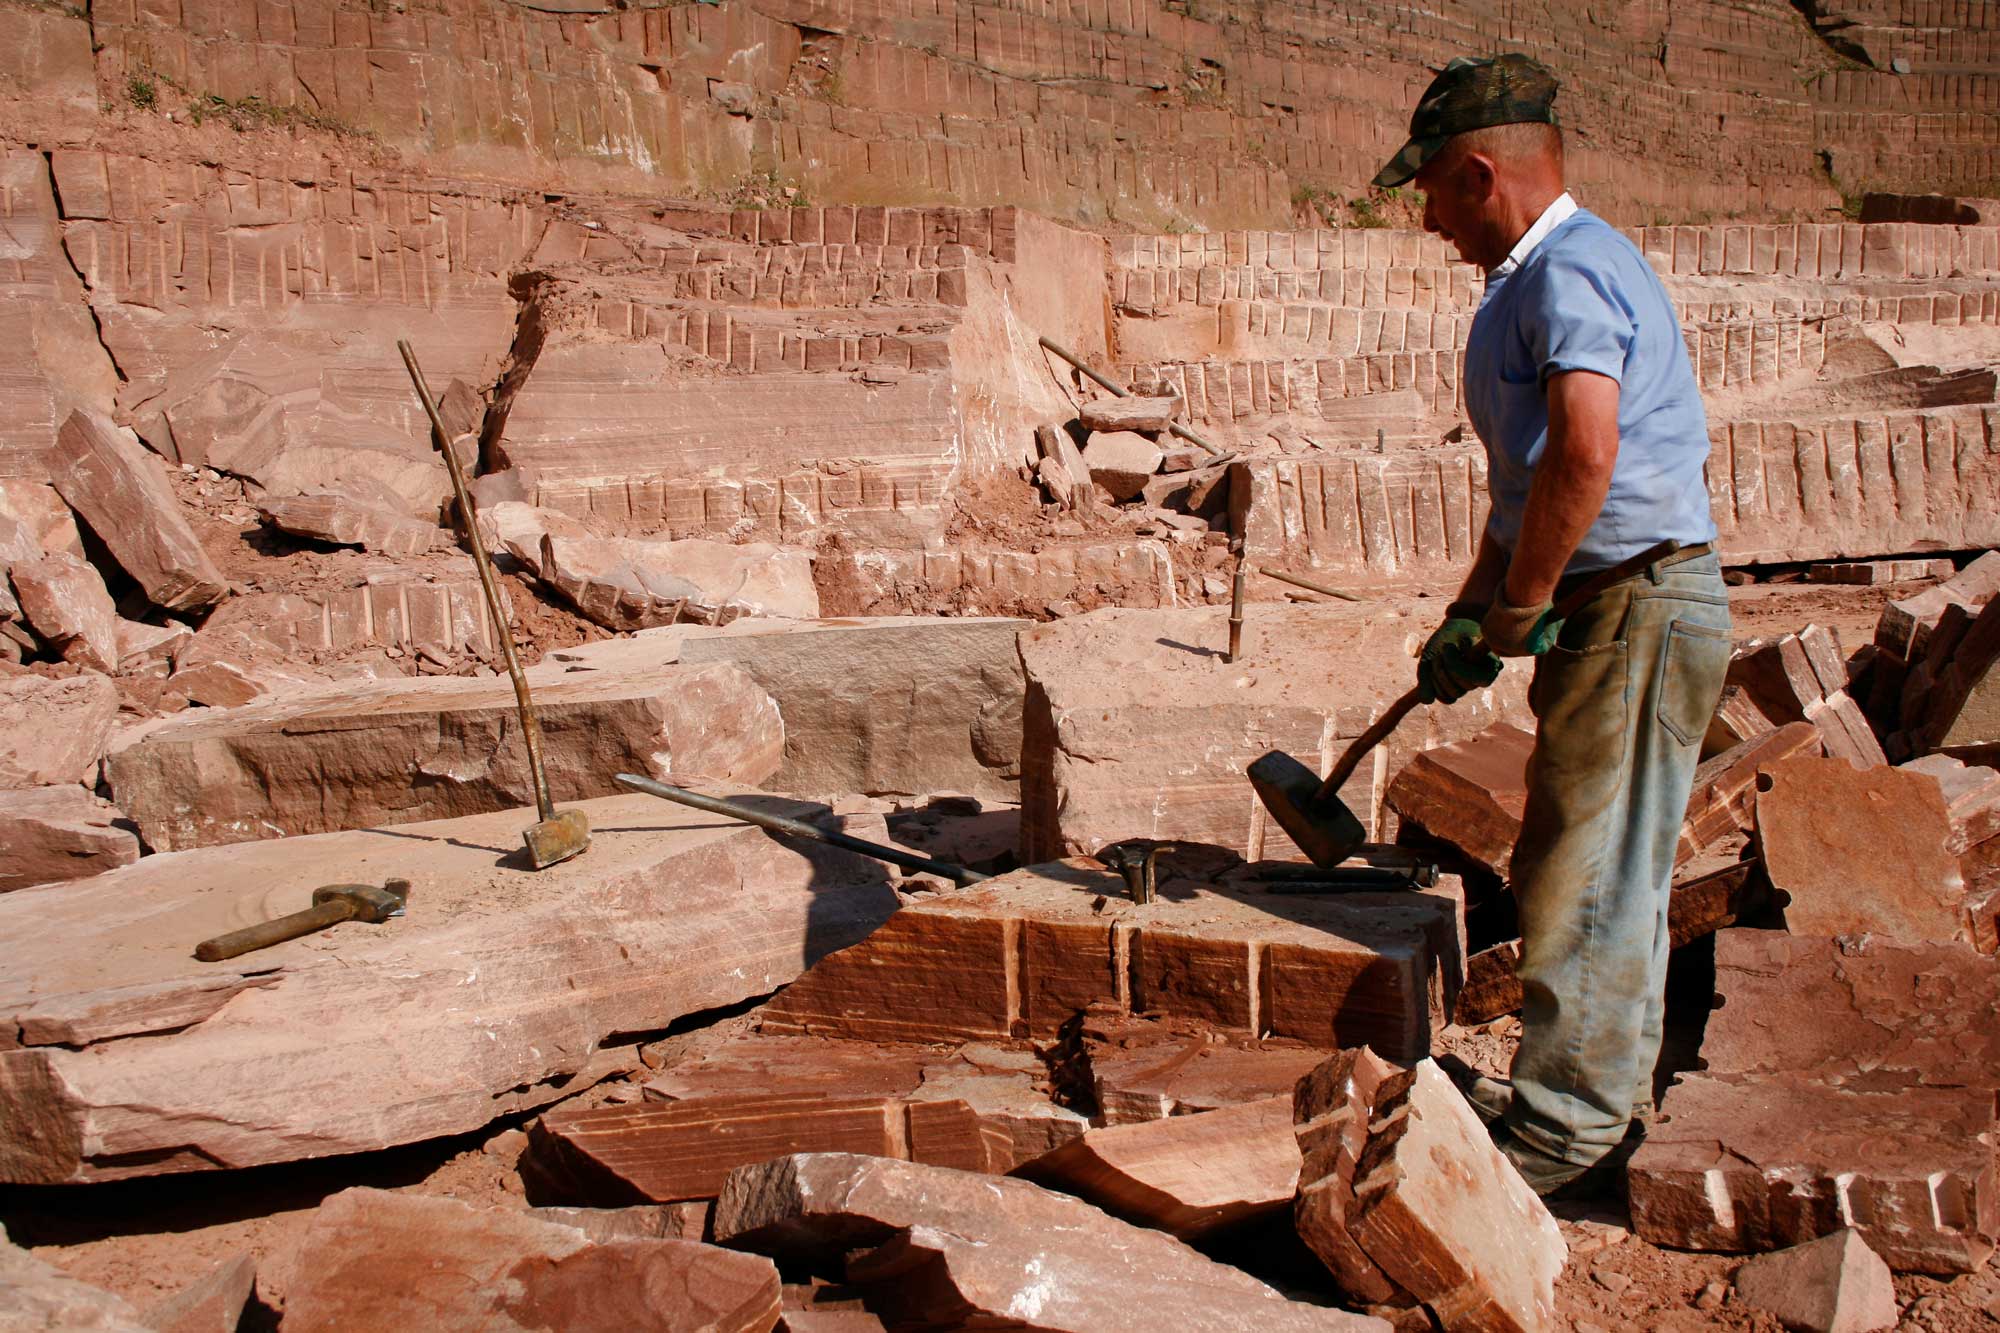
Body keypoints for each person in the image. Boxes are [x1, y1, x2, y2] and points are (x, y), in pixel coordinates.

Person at [1372, 54, 1733, 1194]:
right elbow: (1525, 489)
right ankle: (1579, 1095)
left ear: (1480, 173)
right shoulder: (1529, 282)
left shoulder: (1568, 271)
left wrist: (1520, 607)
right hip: (1610, 604)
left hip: (1635, 600)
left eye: (1427, 191)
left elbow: (1586, 449)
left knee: (1593, 871)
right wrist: (1469, 611)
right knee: (1568, 856)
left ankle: (1566, 1135)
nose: (1425, 219)